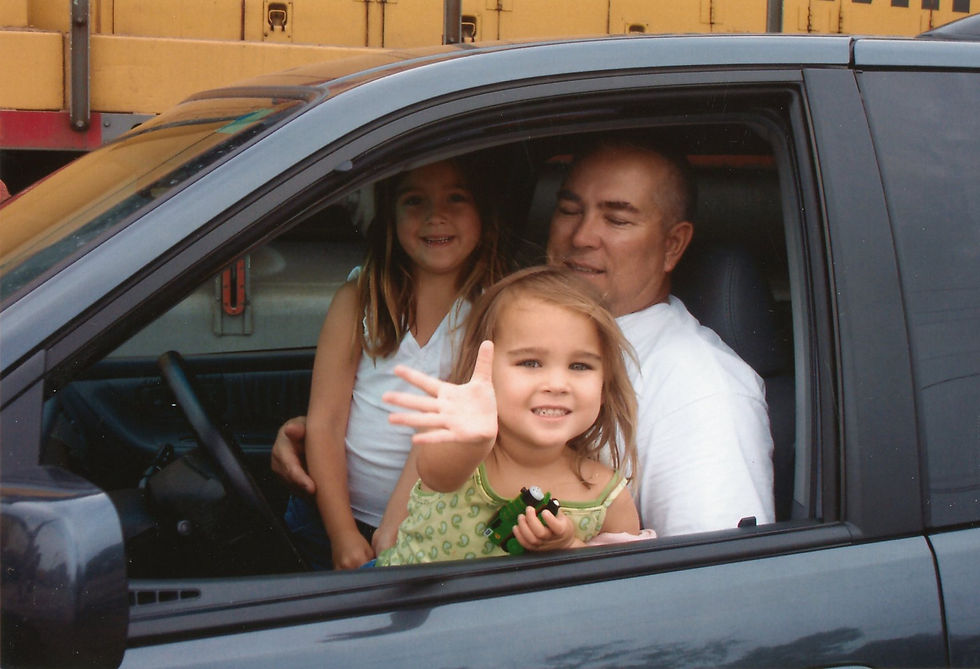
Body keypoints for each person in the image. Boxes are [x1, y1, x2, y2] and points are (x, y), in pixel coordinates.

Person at [273, 137, 774, 539]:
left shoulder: (702, 393)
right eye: (569, 209)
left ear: (673, 245)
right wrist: (330, 434)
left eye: (617, 218)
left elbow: (710, 587)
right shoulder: (527, 322)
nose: (581, 236)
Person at [289, 157, 504, 569]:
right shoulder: (358, 300)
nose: (435, 215)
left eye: (456, 198)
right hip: (332, 516)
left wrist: (394, 525)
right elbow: (325, 422)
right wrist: (342, 535)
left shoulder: (491, 312)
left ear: (483, 213)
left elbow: (441, 431)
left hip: (426, 526)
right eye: (414, 201)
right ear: (390, 214)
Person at [375, 266, 640, 565]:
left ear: (605, 386)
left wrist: (569, 545)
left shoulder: (609, 497)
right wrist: (471, 442)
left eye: (580, 366)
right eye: (530, 363)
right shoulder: (460, 451)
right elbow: (438, 474)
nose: (556, 384)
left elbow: (622, 585)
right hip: (409, 609)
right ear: (482, 370)